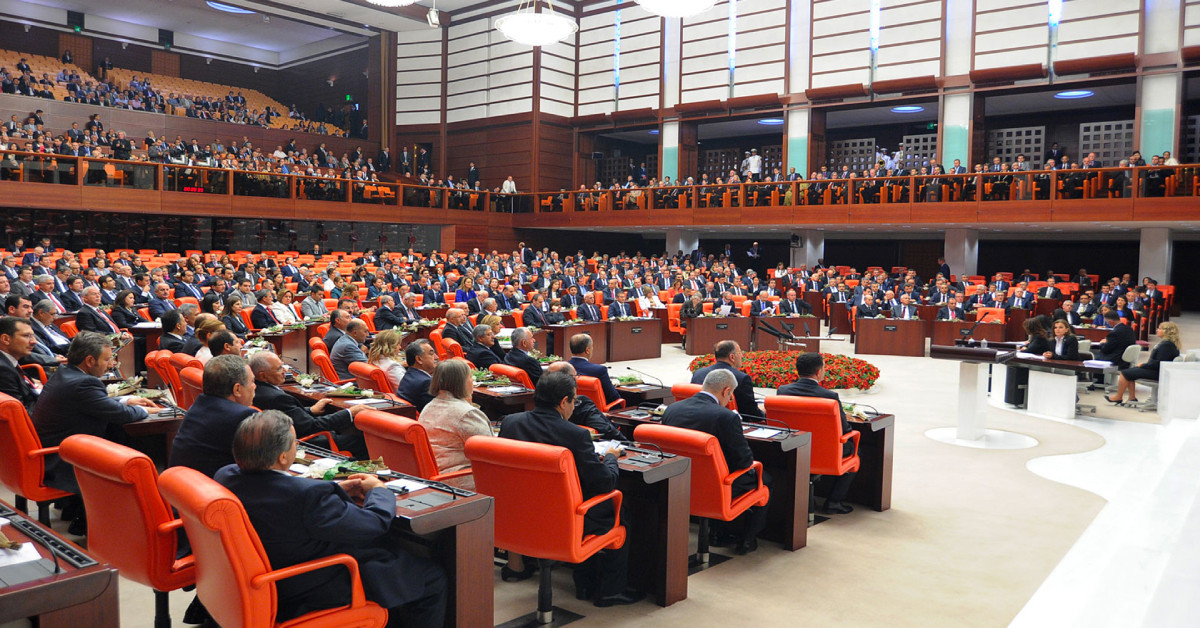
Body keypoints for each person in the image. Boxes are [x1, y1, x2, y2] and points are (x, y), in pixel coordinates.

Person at [215, 410, 446, 627]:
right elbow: (373, 525)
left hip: (259, 579)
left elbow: (282, 497)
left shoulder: (225, 475)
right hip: (313, 583)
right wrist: (379, 490)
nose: (297, 446)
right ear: (283, 456)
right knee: (432, 578)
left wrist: (337, 489)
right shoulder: (306, 496)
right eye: (295, 443)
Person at [498, 371, 642, 606]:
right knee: (618, 507)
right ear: (564, 401)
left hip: (518, 513)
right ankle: (610, 590)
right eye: (575, 401)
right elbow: (605, 482)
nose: (575, 406)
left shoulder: (511, 423)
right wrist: (610, 458)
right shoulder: (575, 434)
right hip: (563, 519)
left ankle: (584, 584)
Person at [32, 332, 160, 533]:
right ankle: (96, 522)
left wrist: (126, 400)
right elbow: (121, 415)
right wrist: (144, 410)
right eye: (107, 359)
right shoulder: (84, 383)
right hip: (61, 460)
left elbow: (94, 404)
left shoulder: (66, 373)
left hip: (52, 451)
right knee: (129, 445)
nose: (111, 365)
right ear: (90, 360)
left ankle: (79, 512)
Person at [663, 369, 769, 552]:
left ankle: (717, 532)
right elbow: (744, 462)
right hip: (714, 487)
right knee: (765, 478)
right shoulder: (726, 417)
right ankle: (747, 540)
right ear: (726, 390)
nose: (729, 400)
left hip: (677, 481)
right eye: (730, 396)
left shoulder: (672, 409)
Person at [777, 353, 857, 514]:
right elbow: (845, 429)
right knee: (855, 447)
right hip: (824, 452)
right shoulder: (829, 396)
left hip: (792, 448)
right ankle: (834, 502)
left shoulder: (782, 391)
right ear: (819, 372)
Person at [249, 352, 367, 459]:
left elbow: (287, 413)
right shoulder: (276, 397)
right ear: (263, 376)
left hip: (286, 437)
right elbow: (311, 426)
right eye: (279, 369)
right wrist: (349, 413)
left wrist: (310, 410)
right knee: (362, 441)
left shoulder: (257, 390)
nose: (285, 371)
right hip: (306, 442)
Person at [168, 355, 258, 477]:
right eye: (252, 381)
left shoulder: (197, 406)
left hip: (184, 488)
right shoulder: (243, 416)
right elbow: (263, 465)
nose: (255, 386)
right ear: (237, 389)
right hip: (217, 490)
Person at [416, 359, 492, 489]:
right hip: (462, 482)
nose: (473, 381)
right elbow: (490, 453)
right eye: (470, 377)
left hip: (434, 478)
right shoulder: (467, 414)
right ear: (460, 382)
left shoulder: (428, 407)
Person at [1107, 322, 1181, 405]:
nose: (1157, 330)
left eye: (1159, 329)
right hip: (1159, 370)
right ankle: (1132, 397)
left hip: (1158, 372)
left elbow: (1158, 363)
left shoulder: (1167, 346)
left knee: (1124, 373)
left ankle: (1118, 397)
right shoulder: (1168, 344)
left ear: (1166, 331)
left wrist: (1143, 365)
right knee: (1130, 372)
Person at [690, 340, 758, 417]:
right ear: (732, 357)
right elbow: (751, 413)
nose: (742, 356)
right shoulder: (742, 378)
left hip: (698, 416)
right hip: (729, 422)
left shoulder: (698, 373)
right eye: (740, 353)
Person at [0, 316, 41, 413]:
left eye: (33, 336)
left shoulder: (10, 360)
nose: (34, 341)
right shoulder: (3, 370)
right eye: (27, 336)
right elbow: (22, 413)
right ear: (5, 339)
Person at [568, 333, 619, 405]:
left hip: (572, 408)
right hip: (596, 411)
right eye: (592, 347)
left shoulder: (563, 368)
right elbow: (614, 397)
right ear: (587, 350)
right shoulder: (599, 370)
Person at [1089, 310, 1137, 388]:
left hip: (1116, 360)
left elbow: (1106, 349)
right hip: (1125, 359)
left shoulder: (1115, 332)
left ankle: (1096, 380)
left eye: (1107, 322)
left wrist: (1102, 343)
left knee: (1091, 356)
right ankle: (1099, 379)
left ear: (1111, 321)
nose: (1107, 324)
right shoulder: (1129, 329)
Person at [398, 339, 438, 411]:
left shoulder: (409, 375)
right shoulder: (426, 382)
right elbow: (436, 411)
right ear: (419, 359)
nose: (436, 357)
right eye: (431, 354)